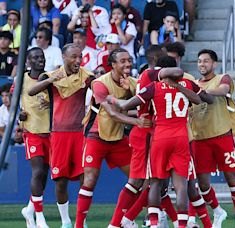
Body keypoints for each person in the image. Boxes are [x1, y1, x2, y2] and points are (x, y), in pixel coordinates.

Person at [107, 65, 203, 228]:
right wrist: (178, 86)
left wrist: (112, 100)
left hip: (160, 136)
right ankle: (181, 225)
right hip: (181, 137)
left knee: (155, 182)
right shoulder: (186, 84)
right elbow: (199, 100)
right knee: (181, 186)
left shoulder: (154, 86)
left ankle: (152, 223)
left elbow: (126, 105)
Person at [74, 48, 150, 228]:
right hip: (96, 135)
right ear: (113, 65)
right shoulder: (100, 83)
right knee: (89, 180)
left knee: (140, 179)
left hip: (117, 139)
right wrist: (136, 121)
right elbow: (113, 113)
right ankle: (78, 225)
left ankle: (125, 221)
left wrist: (132, 93)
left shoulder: (133, 83)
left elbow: (143, 104)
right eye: (123, 61)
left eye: (129, 60)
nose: (128, 64)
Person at [29, 43, 95, 228]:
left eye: (80, 57)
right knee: (60, 180)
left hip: (80, 134)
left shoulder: (86, 77)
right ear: (64, 58)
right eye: (74, 57)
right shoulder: (52, 76)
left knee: (85, 177)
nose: (78, 60)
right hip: (58, 135)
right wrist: (51, 80)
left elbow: (98, 89)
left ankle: (82, 221)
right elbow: (31, 91)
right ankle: (65, 221)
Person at [191, 49, 235, 228]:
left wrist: (200, 92)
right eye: (199, 61)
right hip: (200, 139)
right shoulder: (193, 83)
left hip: (222, 136)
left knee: (232, 177)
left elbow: (223, 90)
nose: (202, 64)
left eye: (206, 61)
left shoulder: (223, 78)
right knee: (203, 184)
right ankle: (218, 211)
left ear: (214, 64)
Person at [19, 47, 50, 228]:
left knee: (45, 174)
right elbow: (15, 102)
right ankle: (40, 217)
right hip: (32, 131)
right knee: (37, 171)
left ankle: (30, 209)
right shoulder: (21, 79)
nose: (40, 60)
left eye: (42, 57)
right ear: (29, 61)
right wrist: (19, 116)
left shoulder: (50, 78)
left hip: (50, 131)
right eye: (36, 57)